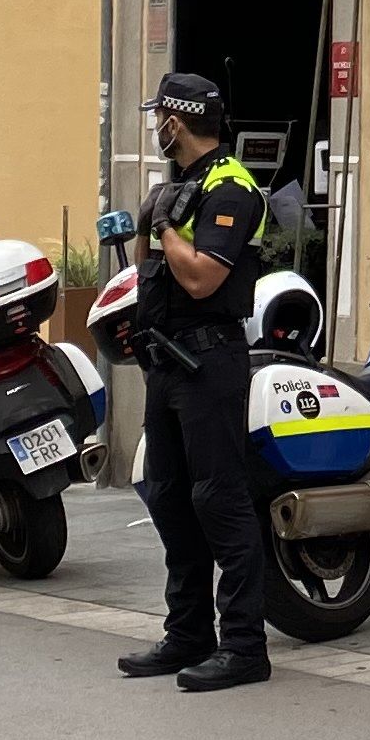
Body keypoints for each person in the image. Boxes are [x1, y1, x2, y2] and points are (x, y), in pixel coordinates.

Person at [114, 71, 272, 691]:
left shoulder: (232, 188)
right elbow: (148, 269)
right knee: (170, 496)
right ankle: (188, 633)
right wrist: (150, 232)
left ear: (175, 122)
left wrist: (165, 230)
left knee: (218, 499)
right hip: (167, 362)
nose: (156, 127)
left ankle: (243, 647)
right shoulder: (183, 187)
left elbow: (203, 278)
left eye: (160, 117)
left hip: (210, 362)